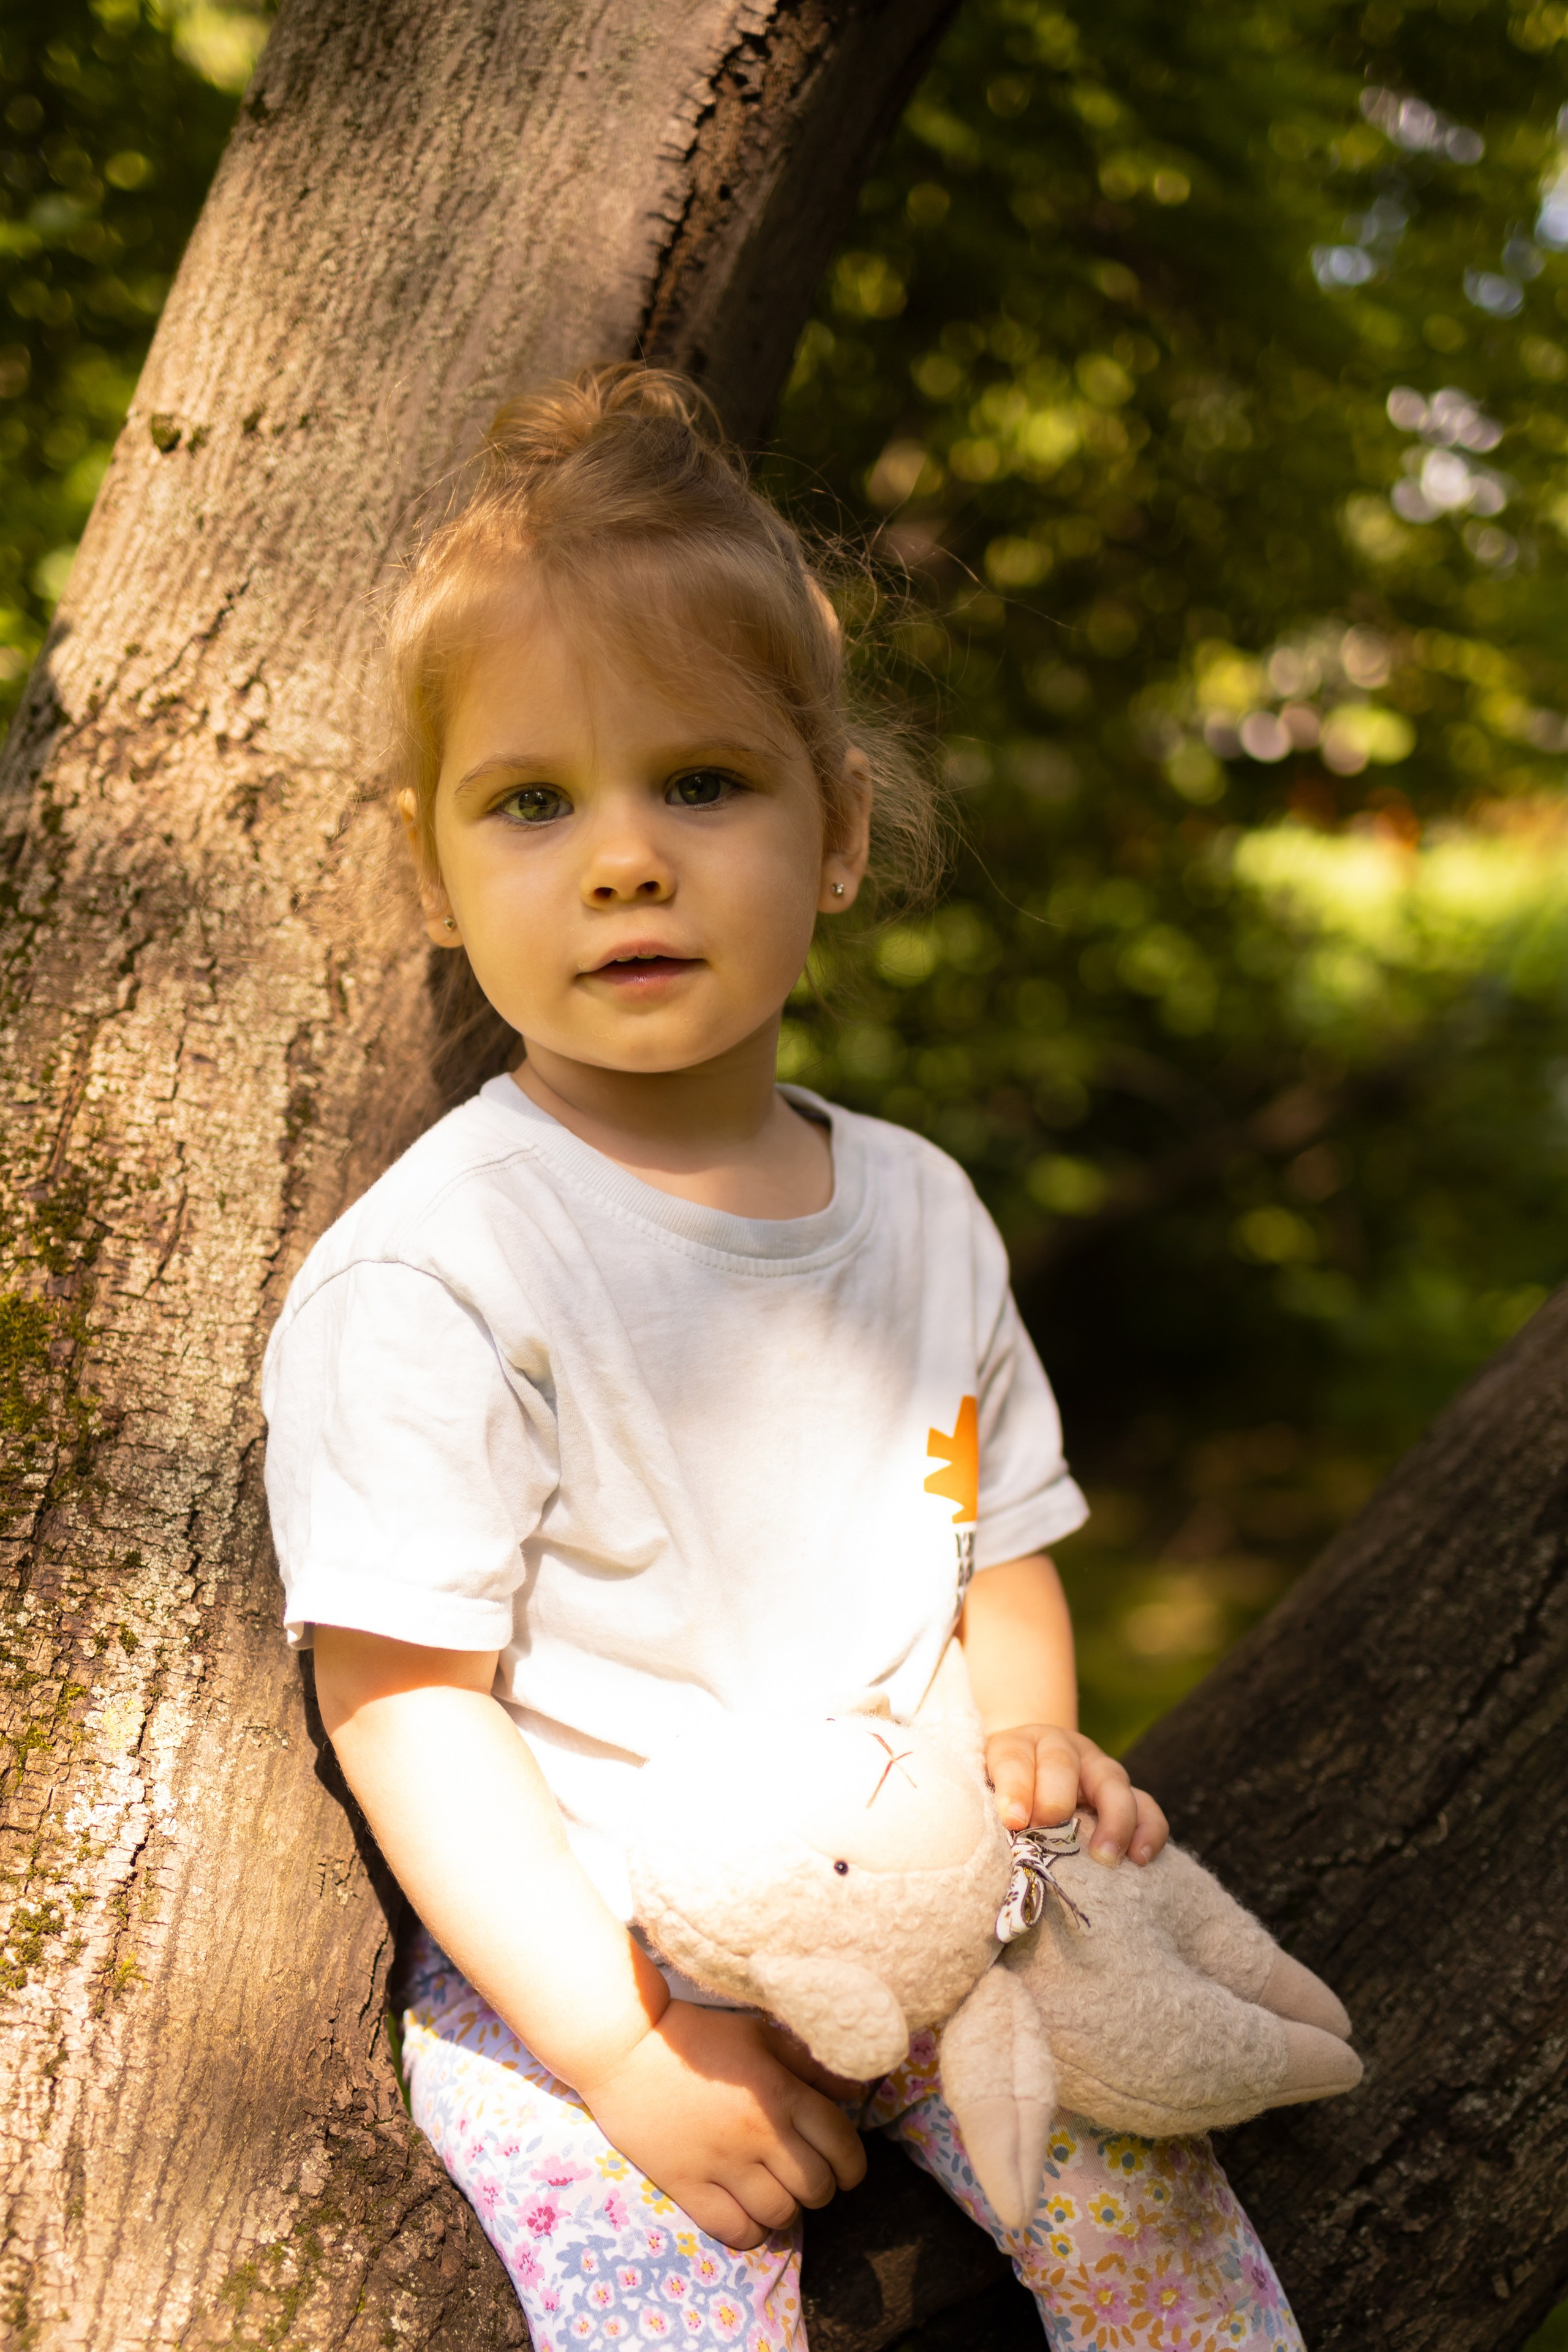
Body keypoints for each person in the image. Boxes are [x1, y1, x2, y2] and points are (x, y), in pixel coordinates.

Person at [262, 366, 1303, 2351]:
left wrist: (1031, 1741)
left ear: (836, 829)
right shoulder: (441, 1270)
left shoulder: (913, 1208)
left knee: (1175, 2249)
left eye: (704, 784)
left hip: (922, 1884)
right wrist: (625, 2049)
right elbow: (403, 1702)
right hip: (590, 1941)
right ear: (435, 866)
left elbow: (988, 1532)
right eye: (536, 803)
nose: (627, 860)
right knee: (673, 2308)